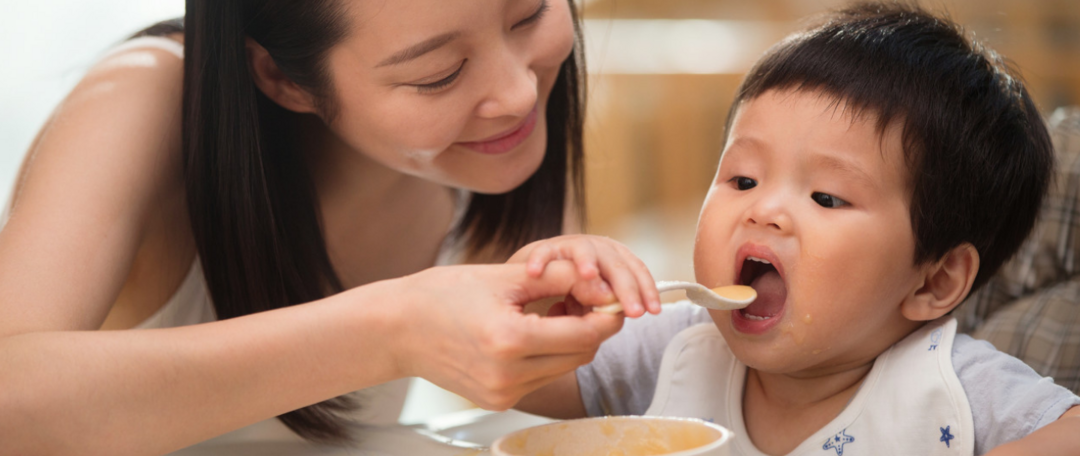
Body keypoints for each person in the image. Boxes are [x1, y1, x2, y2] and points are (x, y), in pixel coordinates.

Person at [0, 1, 663, 454]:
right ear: (282, 78)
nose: (518, 91)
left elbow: (554, 381)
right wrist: (392, 328)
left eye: (527, 14)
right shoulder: (141, 101)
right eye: (439, 74)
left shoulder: (489, 143)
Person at [515, 3, 1080, 455]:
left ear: (934, 281)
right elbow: (514, 374)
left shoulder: (954, 388)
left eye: (826, 197)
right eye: (742, 179)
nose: (763, 211)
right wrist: (543, 300)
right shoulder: (677, 348)